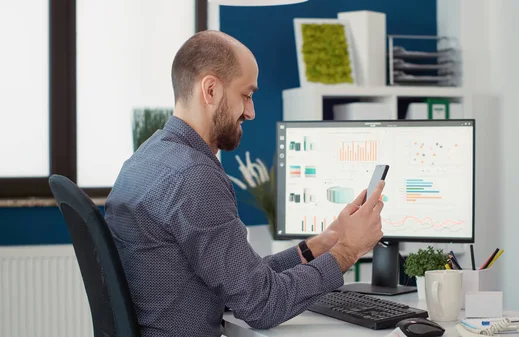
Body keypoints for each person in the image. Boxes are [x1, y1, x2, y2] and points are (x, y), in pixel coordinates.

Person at [104, 30, 385, 337]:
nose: (251, 112)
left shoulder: (147, 159)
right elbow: (263, 306)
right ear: (210, 90)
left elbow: (240, 281)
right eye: (247, 95)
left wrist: (317, 246)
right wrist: (347, 251)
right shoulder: (194, 178)